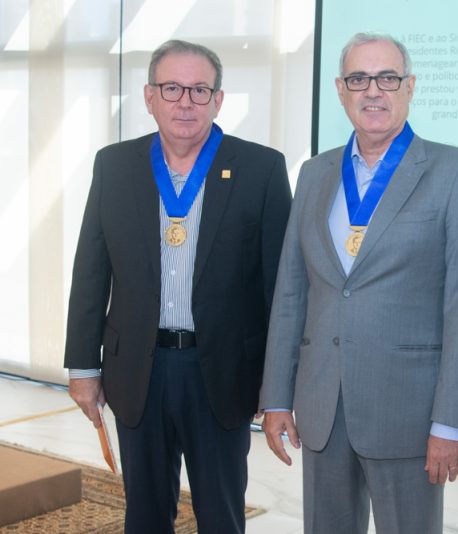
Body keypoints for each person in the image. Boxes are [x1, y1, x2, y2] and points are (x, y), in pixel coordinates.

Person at [259, 32, 458, 533]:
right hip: (323, 404)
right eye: (359, 79)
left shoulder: (455, 172)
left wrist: (450, 421)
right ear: (340, 90)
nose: (373, 91)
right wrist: (276, 396)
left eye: (387, 78)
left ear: (410, 86)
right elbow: (291, 293)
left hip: (409, 412)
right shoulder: (315, 173)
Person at [64, 39, 291, 533]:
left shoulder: (261, 169)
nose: (185, 102)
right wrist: (83, 367)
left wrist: (277, 385)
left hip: (223, 373)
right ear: (149, 97)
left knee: (221, 515)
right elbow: (91, 271)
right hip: (137, 370)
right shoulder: (114, 165)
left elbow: (281, 288)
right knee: (144, 515)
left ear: (218, 99)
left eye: (198, 89)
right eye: (172, 88)